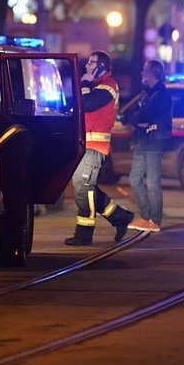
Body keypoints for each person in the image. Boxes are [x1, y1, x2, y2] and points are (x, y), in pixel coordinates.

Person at [65, 51, 135, 245]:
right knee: (86, 188)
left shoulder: (108, 86)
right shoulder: (97, 86)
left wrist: (85, 83)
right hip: (86, 145)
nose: (87, 66)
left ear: (101, 67)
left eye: (91, 63)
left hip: (94, 146)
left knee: (83, 188)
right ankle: (120, 217)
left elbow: (87, 104)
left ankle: (84, 234)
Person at [124, 60, 172, 232]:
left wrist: (138, 120)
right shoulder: (146, 93)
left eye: (144, 70)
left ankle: (155, 219)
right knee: (134, 180)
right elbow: (133, 115)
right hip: (142, 141)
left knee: (152, 182)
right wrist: (138, 122)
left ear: (153, 73)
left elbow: (146, 115)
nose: (141, 74)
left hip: (154, 141)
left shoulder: (161, 95)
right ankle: (145, 216)